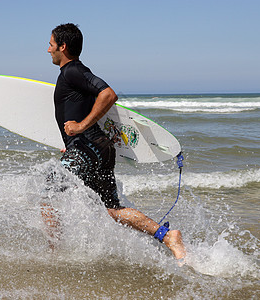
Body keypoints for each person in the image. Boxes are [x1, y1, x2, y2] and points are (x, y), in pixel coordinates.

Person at [45, 23, 186, 260]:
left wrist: (80, 128)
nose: (48, 50)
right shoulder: (74, 74)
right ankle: (167, 236)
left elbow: (108, 95)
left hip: (88, 148)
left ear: (63, 46)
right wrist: (73, 144)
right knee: (113, 209)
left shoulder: (72, 71)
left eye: (51, 45)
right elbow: (85, 105)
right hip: (94, 148)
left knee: (48, 192)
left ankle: (53, 255)